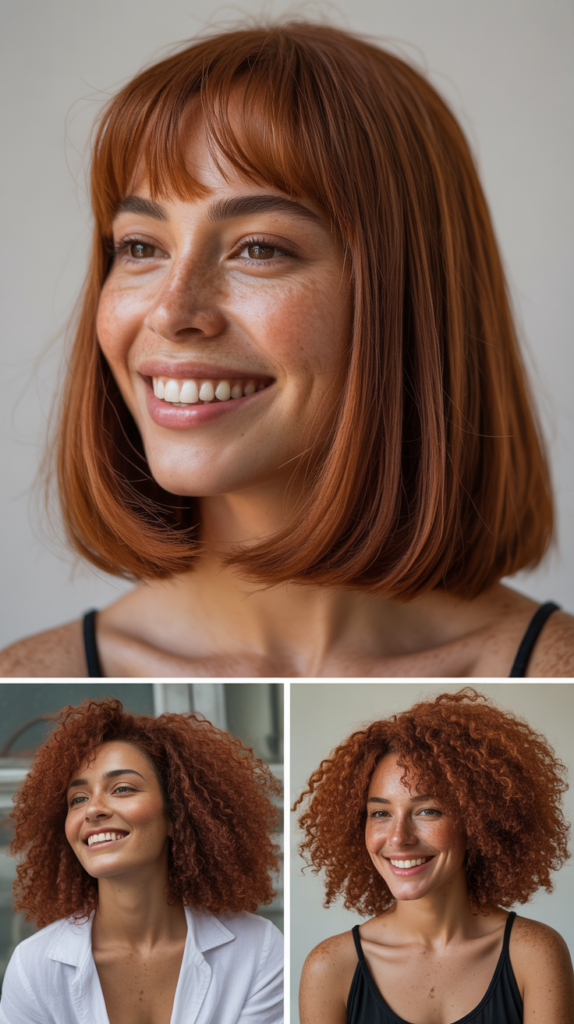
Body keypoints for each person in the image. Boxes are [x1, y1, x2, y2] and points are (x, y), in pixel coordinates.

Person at [1, 23, 573, 679]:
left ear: (409, 300)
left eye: (259, 249)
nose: (171, 310)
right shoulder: (24, 685)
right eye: (140, 247)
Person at [294, 688, 574, 1023]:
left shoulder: (535, 954)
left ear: (477, 822)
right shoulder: (329, 968)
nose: (398, 837)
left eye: (428, 811)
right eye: (380, 814)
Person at [0, 698, 283, 1024]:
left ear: (178, 815)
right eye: (78, 799)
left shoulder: (258, 949)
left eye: (121, 789)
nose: (93, 810)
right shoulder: (33, 967)